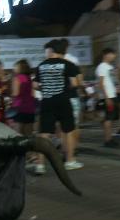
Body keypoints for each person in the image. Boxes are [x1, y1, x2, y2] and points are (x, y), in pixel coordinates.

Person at [33, 39, 83, 173]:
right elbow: (75, 83)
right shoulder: (68, 64)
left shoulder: (41, 65)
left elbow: (35, 85)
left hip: (47, 101)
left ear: (51, 50)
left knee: (44, 133)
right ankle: (70, 161)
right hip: (63, 100)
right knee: (68, 130)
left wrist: (47, 89)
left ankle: (40, 165)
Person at [61, 38, 83, 149]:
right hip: (72, 96)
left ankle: (66, 149)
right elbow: (79, 80)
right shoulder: (73, 60)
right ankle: (74, 148)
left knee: (62, 126)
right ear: (68, 46)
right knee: (74, 125)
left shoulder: (53, 60)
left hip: (59, 97)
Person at [96, 48, 120, 147]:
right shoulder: (102, 66)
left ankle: (110, 138)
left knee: (111, 118)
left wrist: (117, 88)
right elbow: (101, 84)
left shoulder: (109, 66)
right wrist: (106, 98)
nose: (114, 56)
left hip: (112, 95)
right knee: (108, 118)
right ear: (106, 55)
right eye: (112, 54)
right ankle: (107, 140)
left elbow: (112, 81)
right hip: (108, 96)